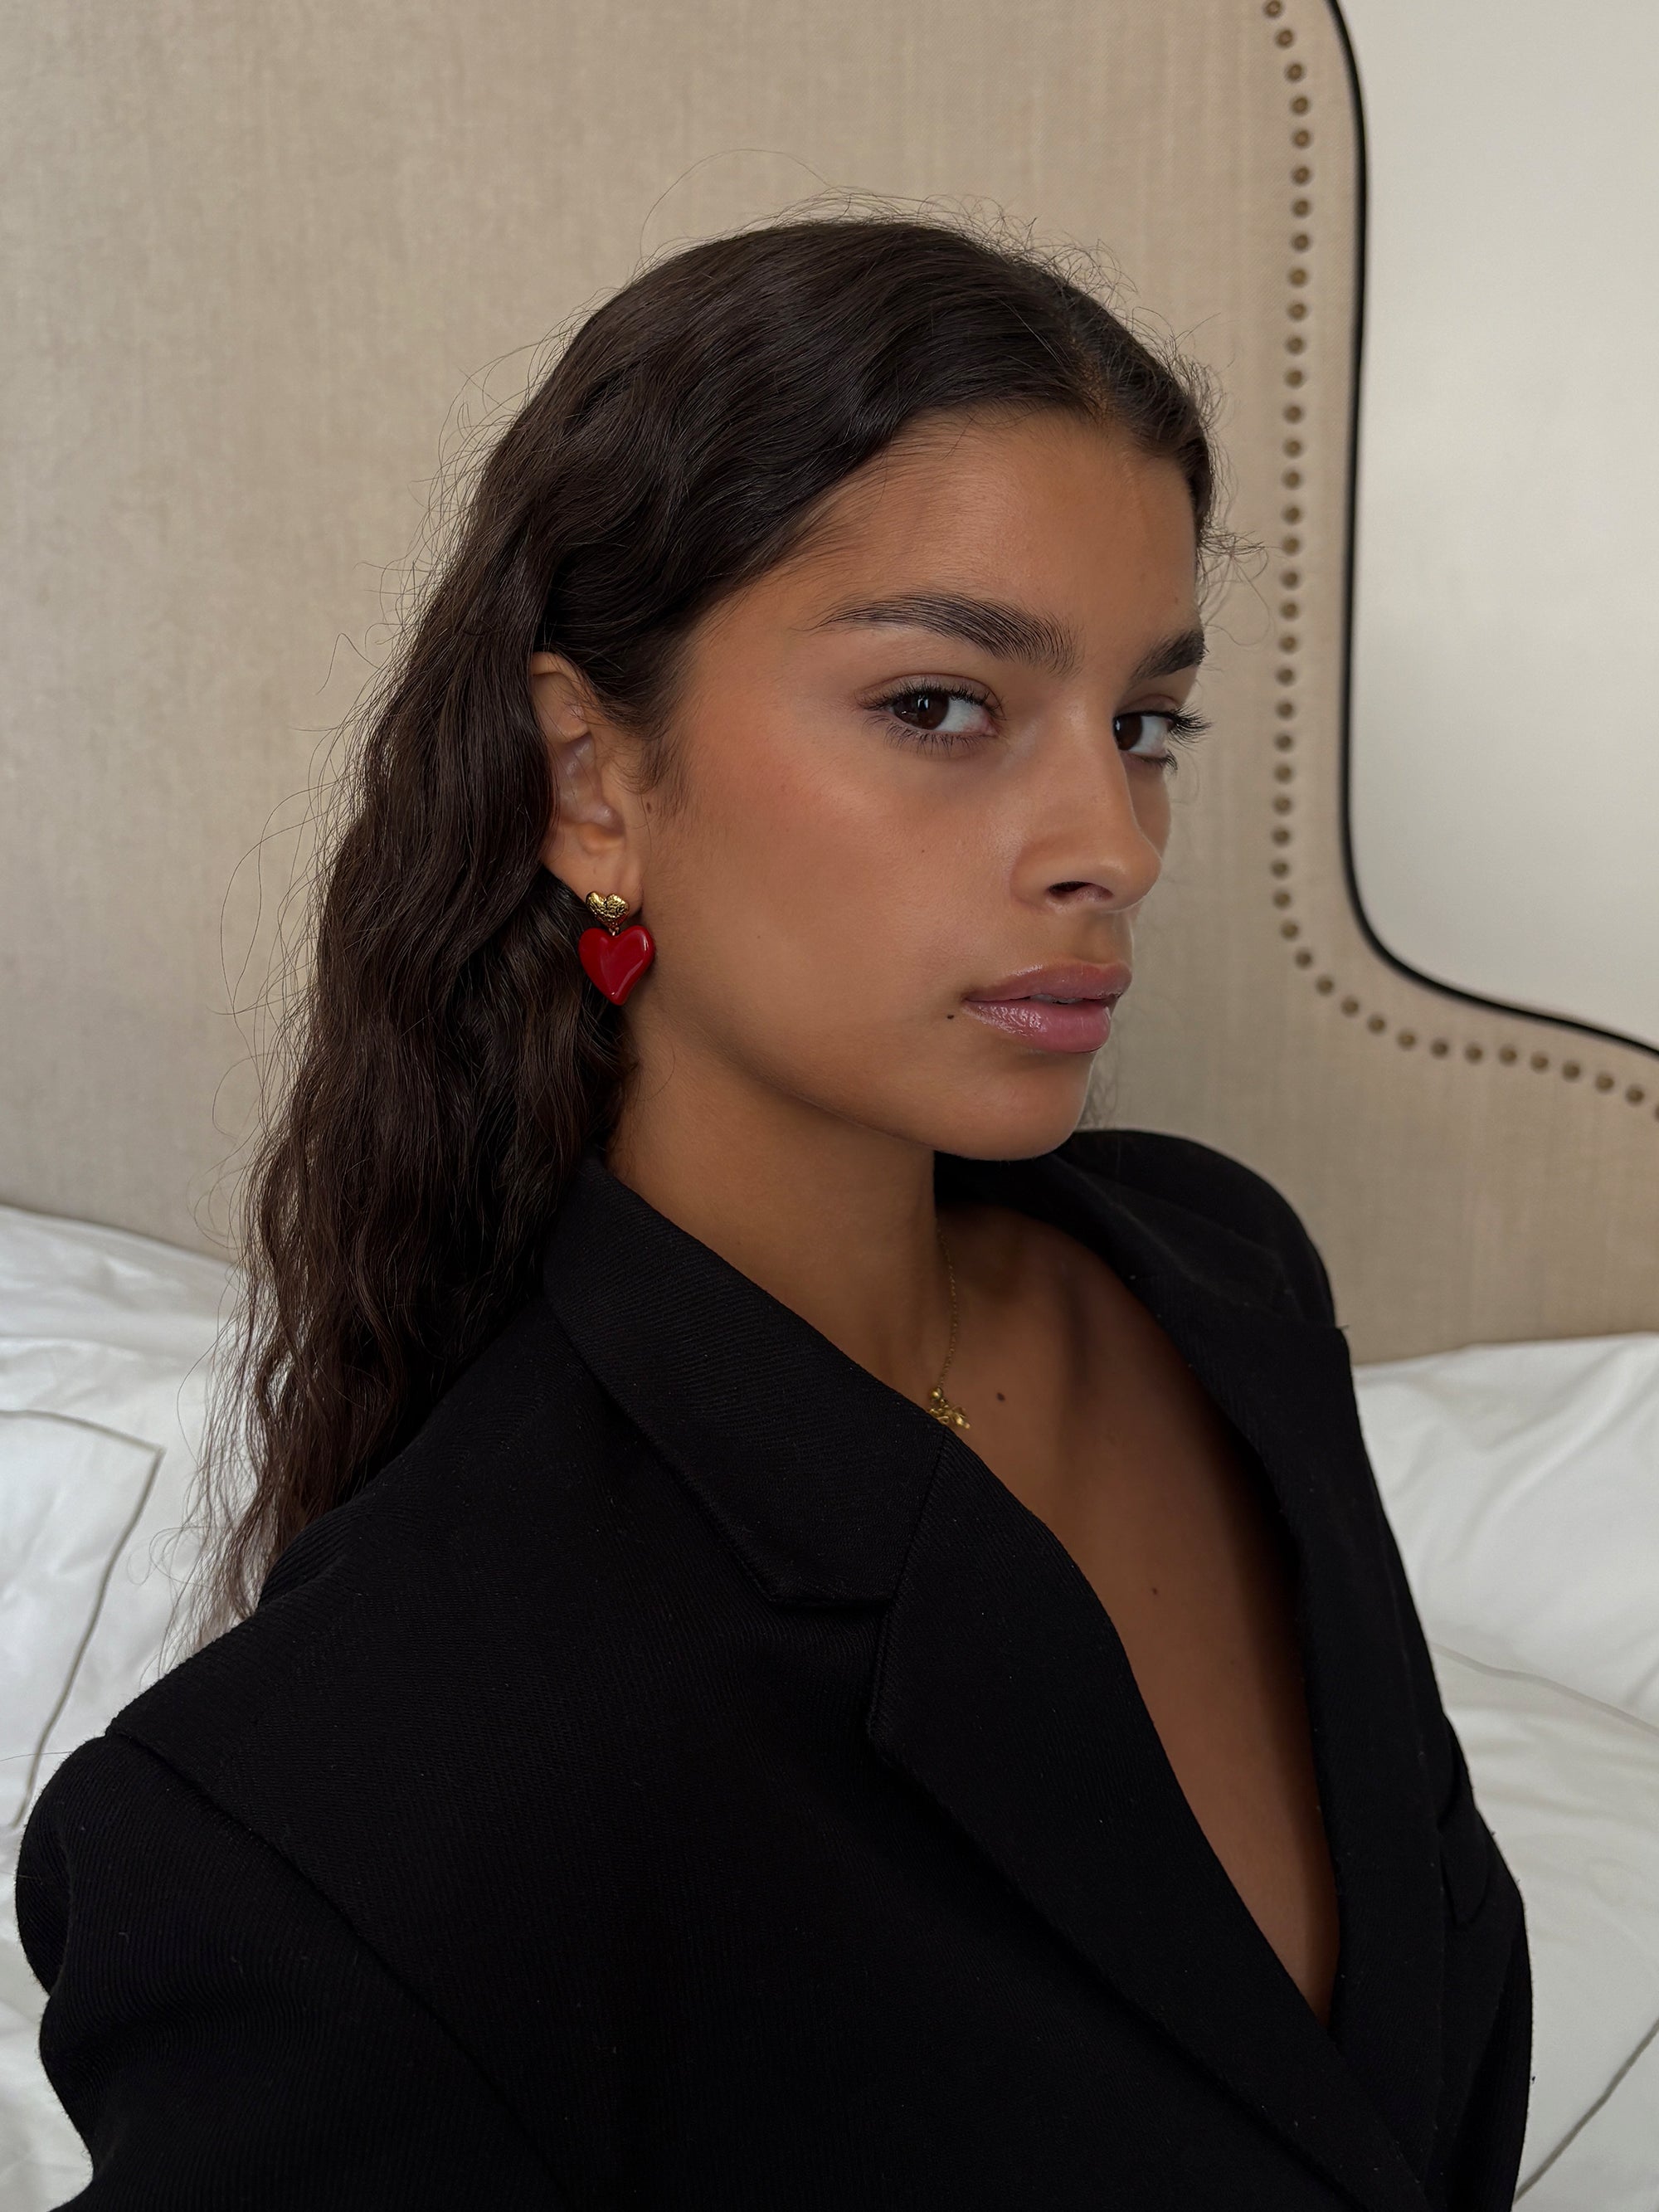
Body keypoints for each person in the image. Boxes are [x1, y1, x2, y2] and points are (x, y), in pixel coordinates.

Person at [15, 205, 1530, 2209]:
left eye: (1141, 722)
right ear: (588, 779)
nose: (1113, 841)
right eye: (939, 706)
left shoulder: (1218, 1277)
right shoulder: (337, 1816)